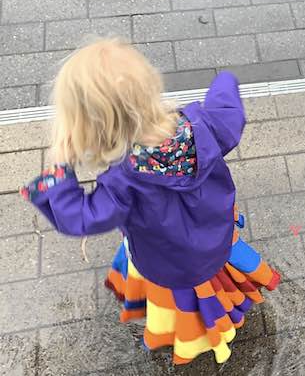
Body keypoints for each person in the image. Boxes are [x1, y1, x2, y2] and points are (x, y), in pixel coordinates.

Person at [20, 39, 280, 364]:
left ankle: (191, 337)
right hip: (217, 238)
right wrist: (224, 82)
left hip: (169, 265)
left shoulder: (121, 183)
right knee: (216, 277)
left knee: (181, 304)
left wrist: (56, 178)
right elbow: (230, 113)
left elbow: (81, 218)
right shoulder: (204, 125)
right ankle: (224, 315)